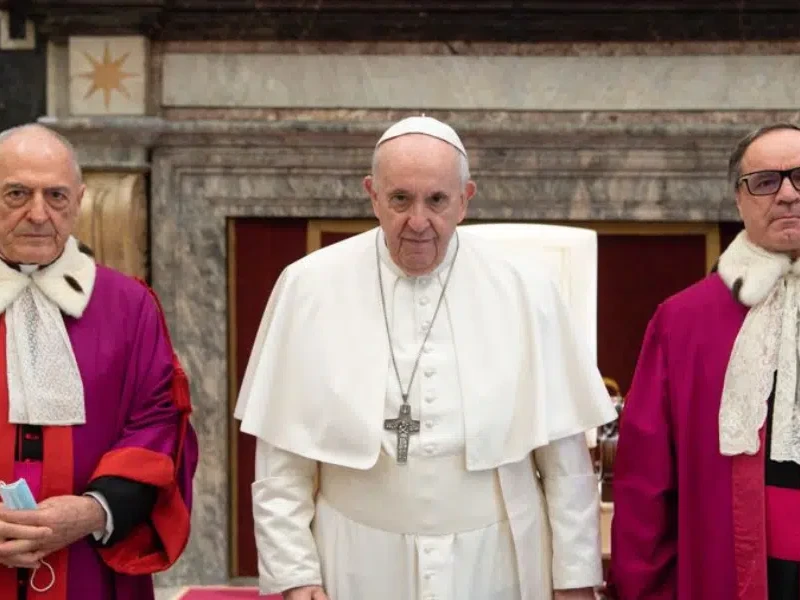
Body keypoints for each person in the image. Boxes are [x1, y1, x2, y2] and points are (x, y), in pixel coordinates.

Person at [235, 115, 617, 600]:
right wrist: (295, 576)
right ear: (372, 194)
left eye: (436, 200)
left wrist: (575, 579)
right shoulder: (308, 287)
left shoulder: (526, 288)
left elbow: (566, 464)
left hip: (497, 562)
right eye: (400, 199)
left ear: (465, 199)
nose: (418, 222)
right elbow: (281, 463)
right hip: (355, 564)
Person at [0, 123, 199, 600]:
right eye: (16, 194)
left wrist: (95, 510)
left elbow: (158, 425)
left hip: (88, 564)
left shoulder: (129, 306)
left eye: (57, 196)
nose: (38, 214)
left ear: (81, 199)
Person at [607, 123, 800, 599]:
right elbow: (644, 481)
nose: (789, 195)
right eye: (766, 181)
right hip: (729, 572)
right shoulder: (683, 321)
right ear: (739, 199)